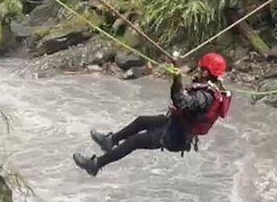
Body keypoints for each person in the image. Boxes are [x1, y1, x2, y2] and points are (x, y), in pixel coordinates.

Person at [72, 52, 232, 176]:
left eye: (201, 68)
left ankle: (96, 165)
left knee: (134, 142)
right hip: (176, 124)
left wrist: (176, 76)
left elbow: (181, 101)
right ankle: (110, 141)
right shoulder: (208, 87)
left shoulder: (206, 96)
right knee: (142, 121)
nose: (198, 70)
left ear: (206, 72)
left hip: (176, 136)